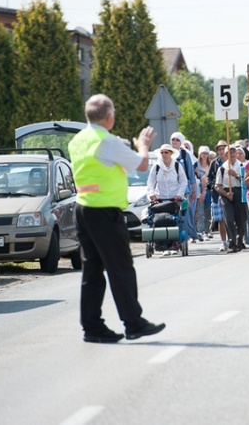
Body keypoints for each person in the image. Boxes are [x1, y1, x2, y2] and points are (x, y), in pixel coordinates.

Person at [68, 94, 165, 343]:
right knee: (121, 268)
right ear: (109, 117)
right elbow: (142, 165)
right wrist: (143, 144)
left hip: (83, 208)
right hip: (104, 211)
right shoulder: (107, 142)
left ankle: (92, 326)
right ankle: (133, 323)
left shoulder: (78, 140)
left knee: (92, 270)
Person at [146, 143, 188, 256]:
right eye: (162, 152)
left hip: (174, 200)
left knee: (175, 219)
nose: (164, 154)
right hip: (160, 199)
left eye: (166, 152)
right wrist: (152, 194)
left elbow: (184, 181)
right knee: (158, 219)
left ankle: (174, 243)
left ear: (171, 154)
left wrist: (179, 194)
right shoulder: (156, 166)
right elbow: (150, 183)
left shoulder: (177, 166)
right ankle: (160, 243)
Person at [215, 145, 246, 253]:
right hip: (227, 193)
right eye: (229, 152)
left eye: (233, 151)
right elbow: (217, 185)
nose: (232, 154)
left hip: (239, 192)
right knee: (229, 218)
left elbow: (246, 181)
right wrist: (226, 194)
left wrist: (236, 175)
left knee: (240, 219)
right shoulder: (222, 168)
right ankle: (232, 242)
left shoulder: (242, 166)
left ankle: (239, 240)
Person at [169, 132, 199, 242]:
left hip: (185, 188)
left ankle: (185, 237)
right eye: (173, 139)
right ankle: (173, 239)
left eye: (177, 140)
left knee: (185, 214)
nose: (175, 142)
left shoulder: (185, 154)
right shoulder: (167, 153)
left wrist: (194, 191)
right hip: (170, 188)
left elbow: (191, 175)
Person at [207, 141, 229, 251]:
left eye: (223, 149)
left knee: (230, 218)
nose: (221, 151)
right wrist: (213, 186)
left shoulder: (231, 162)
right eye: (219, 149)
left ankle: (233, 240)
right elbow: (209, 178)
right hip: (217, 194)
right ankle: (224, 242)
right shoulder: (214, 163)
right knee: (220, 219)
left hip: (230, 193)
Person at [195, 146, 212, 240]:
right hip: (199, 190)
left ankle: (206, 231)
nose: (204, 155)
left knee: (208, 212)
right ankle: (199, 231)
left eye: (206, 153)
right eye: (203, 153)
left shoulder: (211, 165)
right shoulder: (196, 165)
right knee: (200, 212)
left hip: (209, 191)